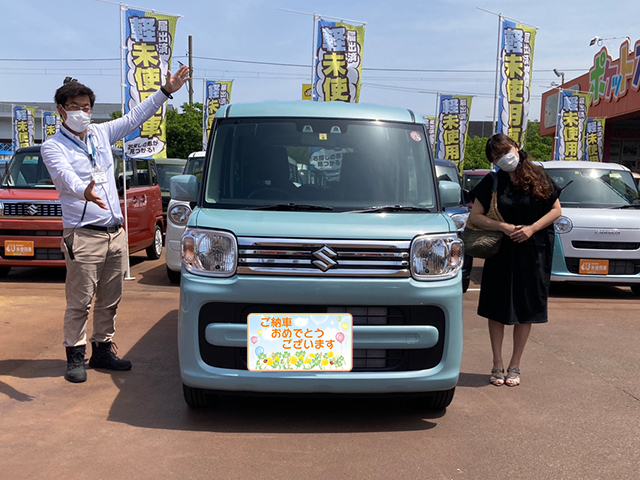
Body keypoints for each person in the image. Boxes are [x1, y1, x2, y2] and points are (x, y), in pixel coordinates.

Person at [41, 66, 190, 383]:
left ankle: (103, 349)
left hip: (114, 233)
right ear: (61, 110)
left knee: (111, 298)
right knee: (80, 301)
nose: (81, 112)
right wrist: (83, 190)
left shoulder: (100, 133)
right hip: (83, 235)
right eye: (74, 107)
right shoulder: (53, 146)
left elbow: (135, 117)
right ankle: (75, 355)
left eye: (86, 107)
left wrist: (166, 91)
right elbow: (64, 176)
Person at [468, 133, 562, 387]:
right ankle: (497, 363)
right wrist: (503, 226)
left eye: (505, 152)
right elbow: (475, 217)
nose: (503, 159)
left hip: (534, 253)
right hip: (501, 253)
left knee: (526, 310)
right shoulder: (493, 181)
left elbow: (556, 210)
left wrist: (531, 229)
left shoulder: (539, 176)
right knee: (496, 308)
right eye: (496, 157)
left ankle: (515, 365)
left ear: (516, 147)